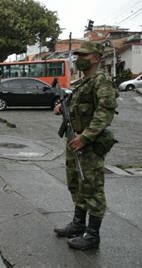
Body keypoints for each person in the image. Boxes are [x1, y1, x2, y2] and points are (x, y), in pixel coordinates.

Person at [53, 41, 118, 250]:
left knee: (93, 188)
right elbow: (79, 108)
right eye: (78, 55)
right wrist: (62, 108)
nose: (79, 59)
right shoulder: (83, 82)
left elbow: (104, 113)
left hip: (88, 145)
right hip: (75, 142)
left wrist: (86, 137)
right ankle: (77, 225)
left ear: (96, 58)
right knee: (77, 184)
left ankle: (92, 235)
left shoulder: (101, 81)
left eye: (84, 55)